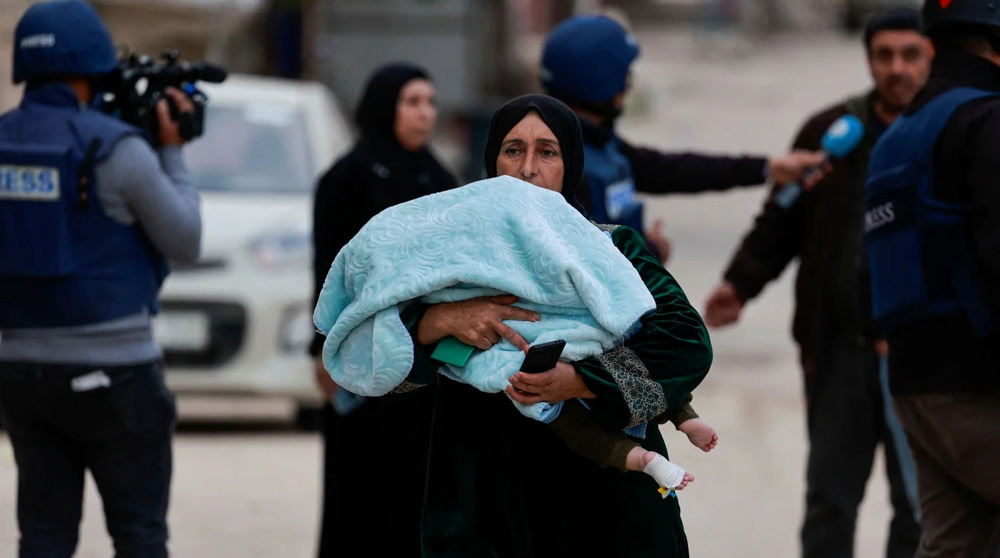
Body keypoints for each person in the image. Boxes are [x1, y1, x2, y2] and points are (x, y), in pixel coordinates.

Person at [411, 94, 713, 557]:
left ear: (569, 165)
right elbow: (385, 364)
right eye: (513, 150)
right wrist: (439, 321)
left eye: (547, 152)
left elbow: (686, 342)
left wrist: (577, 381)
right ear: (492, 162)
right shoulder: (449, 259)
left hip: (606, 509)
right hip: (485, 510)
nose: (528, 167)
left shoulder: (613, 249)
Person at [702, 8, 931, 558]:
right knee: (830, 500)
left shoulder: (947, 130)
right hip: (838, 352)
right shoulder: (833, 135)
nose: (896, 68)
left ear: (932, 58)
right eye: (884, 55)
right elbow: (783, 219)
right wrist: (741, 282)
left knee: (922, 507)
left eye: (910, 55)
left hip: (920, 355)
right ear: (869, 59)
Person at [0, 1, 201, 557]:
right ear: (92, 68)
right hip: (116, 374)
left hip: (18, 371)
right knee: (138, 535)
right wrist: (174, 154)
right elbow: (184, 242)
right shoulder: (118, 149)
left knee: (42, 534)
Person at [864, 2, 1000, 556]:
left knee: (954, 543)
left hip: (916, 384)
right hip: (981, 384)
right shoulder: (988, 119)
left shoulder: (898, 135)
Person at [309, 62, 458, 558]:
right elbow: (327, 270)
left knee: (417, 482)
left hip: (426, 359)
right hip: (362, 355)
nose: (425, 114)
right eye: (412, 102)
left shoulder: (436, 176)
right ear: (384, 106)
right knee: (361, 479)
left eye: (430, 102)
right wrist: (322, 350)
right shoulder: (348, 177)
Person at [539, 13, 826, 263]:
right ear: (600, 81)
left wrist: (767, 168)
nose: (629, 83)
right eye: (624, 74)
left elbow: (670, 170)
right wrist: (650, 251)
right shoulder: (564, 166)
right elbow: (587, 258)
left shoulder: (598, 144)